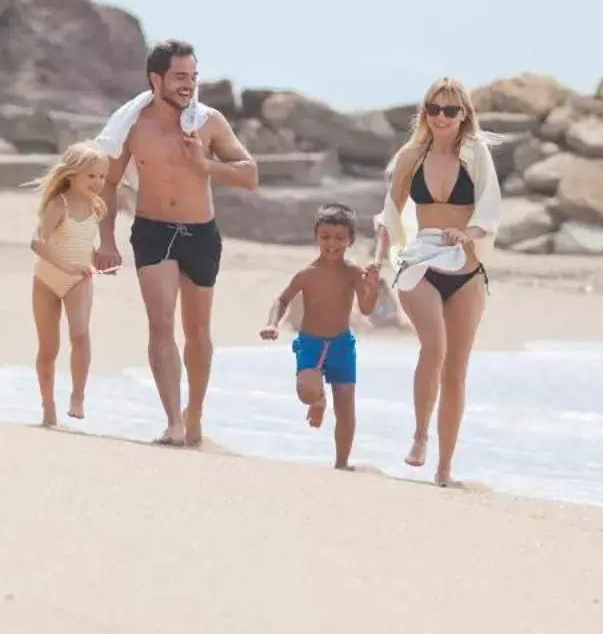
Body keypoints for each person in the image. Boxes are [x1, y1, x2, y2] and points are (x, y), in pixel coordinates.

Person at [93, 39, 259, 446]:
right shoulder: (132, 124)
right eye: (180, 77)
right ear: (156, 78)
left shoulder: (208, 122)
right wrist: (106, 241)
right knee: (161, 323)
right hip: (153, 231)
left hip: (200, 234)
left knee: (198, 331)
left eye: (193, 77)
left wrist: (205, 164)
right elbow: (109, 183)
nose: (189, 85)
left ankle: (195, 415)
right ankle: (173, 421)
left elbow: (250, 174)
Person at [377, 77, 503, 486]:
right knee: (435, 346)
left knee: (456, 370)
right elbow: (391, 213)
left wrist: (469, 235)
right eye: (434, 108)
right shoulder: (412, 154)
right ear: (425, 112)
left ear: (464, 114)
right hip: (420, 263)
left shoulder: (476, 154)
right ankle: (419, 436)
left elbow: (490, 208)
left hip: (465, 268)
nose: (442, 117)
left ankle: (445, 467)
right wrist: (378, 259)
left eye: (451, 110)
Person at [261, 203, 381, 470]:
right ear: (316, 236)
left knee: (346, 410)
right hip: (311, 343)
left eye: (340, 238)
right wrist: (272, 323)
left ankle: (341, 464)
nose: (332, 244)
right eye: (325, 236)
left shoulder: (353, 272)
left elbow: (366, 308)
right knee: (306, 392)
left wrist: (371, 287)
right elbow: (282, 299)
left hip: (341, 344)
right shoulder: (307, 275)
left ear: (350, 241)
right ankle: (318, 400)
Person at [28, 141, 111, 428]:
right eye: (91, 176)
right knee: (49, 348)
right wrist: (66, 266)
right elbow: (37, 243)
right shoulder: (58, 204)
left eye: (102, 176)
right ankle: (48, 406)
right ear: (71, 174)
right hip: (47, 280)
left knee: (80, 334)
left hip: (79, 280)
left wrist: (95, 260)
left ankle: (77, 396)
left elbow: (85, 242)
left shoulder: (97, 207)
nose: (98, 182)